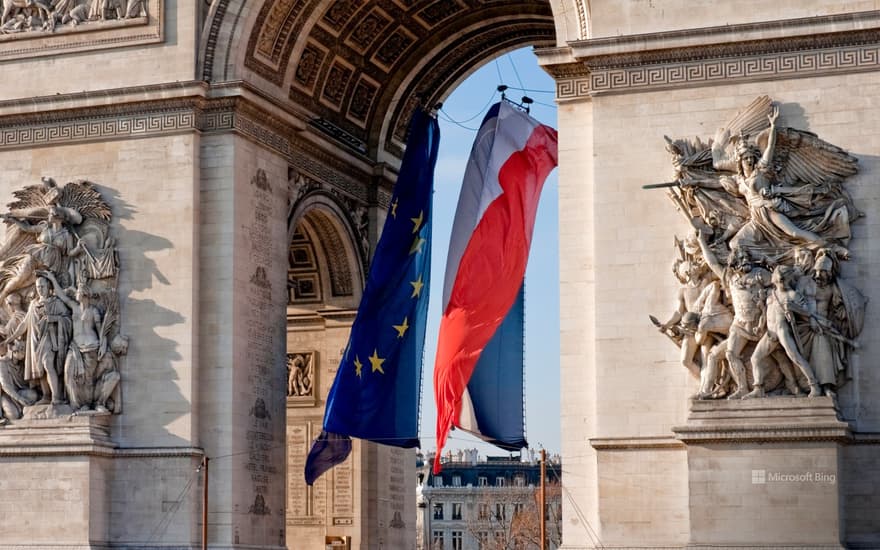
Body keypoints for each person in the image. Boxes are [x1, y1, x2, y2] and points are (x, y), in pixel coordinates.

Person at [43, 272, 118, 412]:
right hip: (75, 347)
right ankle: (75, 405)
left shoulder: (93, 311)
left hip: (91, 348)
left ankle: (88, 405)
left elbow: (101, 331)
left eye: (78, 291)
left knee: (87, 379)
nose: (75, 293)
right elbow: (61, 296)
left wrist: (103, 345)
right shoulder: (74, 307)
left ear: (83, 294)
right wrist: (52, 278)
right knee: (68, 373)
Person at [745, 266, 821, 398]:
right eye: (780, 280)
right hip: (770, 332)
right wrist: (760, 325)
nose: (782, 282)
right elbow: (766, 313)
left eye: (784, 280)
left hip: (782, 331)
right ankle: (758, 388)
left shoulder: (792, 294)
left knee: (795, 358)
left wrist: (794, 307)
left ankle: (814, 386)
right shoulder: (770, 294)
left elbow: (808, 312)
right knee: (755, 358)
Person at [2, 275, 72, 405]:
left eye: (42, 286)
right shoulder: (33, 304)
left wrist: (55, 318)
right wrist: (8, 340)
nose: (40, 289)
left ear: (48, 287)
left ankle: (56, 397)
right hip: (35, 340)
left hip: (50, 339)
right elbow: (24, 325)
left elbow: (68, 319)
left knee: (47, 364)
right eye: (38, 286)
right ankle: (46, 396)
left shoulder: (56, 302)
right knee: (40, 369)